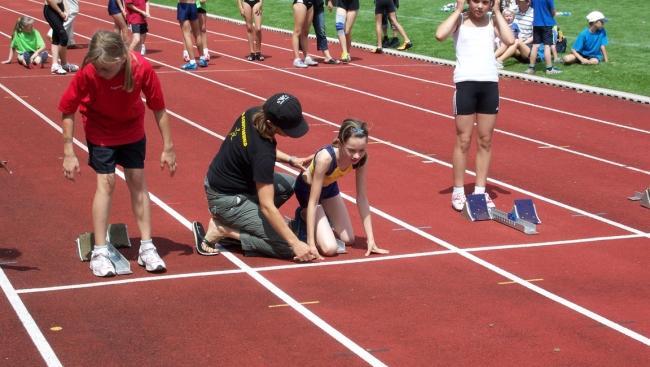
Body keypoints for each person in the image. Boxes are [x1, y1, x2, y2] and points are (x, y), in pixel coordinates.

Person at [60, 30, 176, 277]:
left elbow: (159, 108)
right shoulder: (88, 71)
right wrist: (68, 150)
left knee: (137, 181)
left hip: (132, 129)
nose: (100, 73)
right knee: (107, 182)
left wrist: (168, 147)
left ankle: (147, 246)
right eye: (98, 68)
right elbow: (68, 110)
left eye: (105, 69)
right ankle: (100, 251)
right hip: (100, 131)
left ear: (121, 59)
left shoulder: (142, 68)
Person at [192, 93, 320, 262]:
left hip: (230, 183)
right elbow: (267, 206)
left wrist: (290, 159)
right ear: (271, 124)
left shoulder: (253, 113)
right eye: (289, 128)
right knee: (289, 248)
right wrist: (295, 243)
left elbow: (255, 150)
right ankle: (224, 230)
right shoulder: (263, 154)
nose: (292, 132)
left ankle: (248, 223)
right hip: (226, 200)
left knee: (290, 184)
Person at [435, 0, 514, 211]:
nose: (480, 6)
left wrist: (496, 11)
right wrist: (459, 10)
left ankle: (480, 190)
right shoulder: (459, 20)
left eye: (485, 2)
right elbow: (440, 35)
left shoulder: (492, 21)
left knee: (486, 140)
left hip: (489, 84)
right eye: (475, 1)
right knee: (463, 139)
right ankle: (459, 190)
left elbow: (510, 39)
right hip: (465, 84)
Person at [293, 119, 389, 257]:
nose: (356, 156)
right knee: (329, 249)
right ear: (340, 143)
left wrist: (371, 240)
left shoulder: (362, 159)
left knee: (348, 239)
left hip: (330, 188)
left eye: (361, 150)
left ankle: (323, 219)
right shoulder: (326, 159)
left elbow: (361, 197)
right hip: (308, 191)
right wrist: (311, 244)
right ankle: (302, 215)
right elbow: (313, 201)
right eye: (351, 150)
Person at [44, 0, 79, 74]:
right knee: (63, 37)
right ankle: (56, 65)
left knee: (56, 38)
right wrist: (60, 12)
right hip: (51, 10)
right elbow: (50, 1)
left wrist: (66, 11)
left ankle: (62, 64)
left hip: (60, 8)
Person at [526, 0, 561, 74]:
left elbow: (531, 5)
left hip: (536, 23)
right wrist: (552, 15)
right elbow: (553, 11)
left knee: (535, 45)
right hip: (547, 23)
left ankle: (531, 68)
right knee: (547, 46)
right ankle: (549, 68)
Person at [177, 0, 207, 70]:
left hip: (183, 6)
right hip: (193, 5)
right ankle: (202, 58)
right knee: (197, 34)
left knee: (186, 35)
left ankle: (192, 62)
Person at [291, 0, 317, 68]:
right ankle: (297, 59)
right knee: (297, 31)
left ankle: (306, 58)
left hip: (310, 3)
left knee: (305, 32)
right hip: (300, 3)